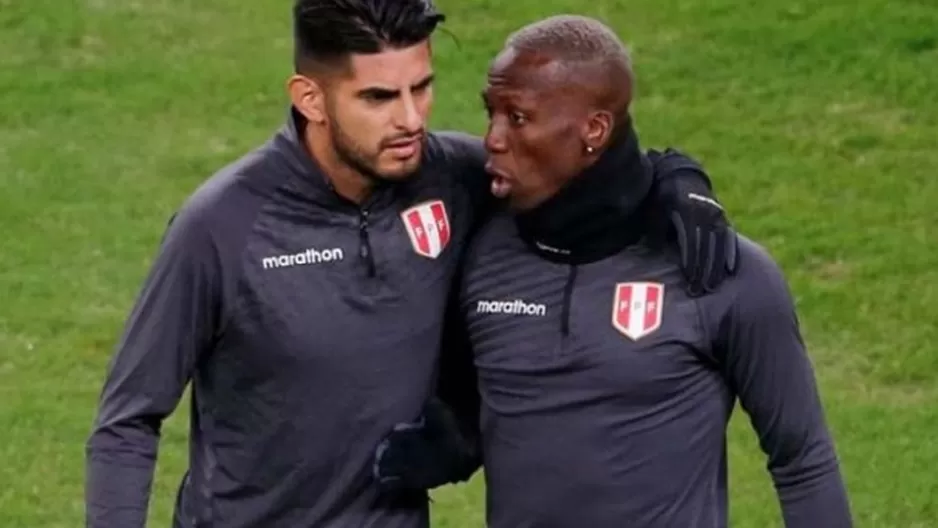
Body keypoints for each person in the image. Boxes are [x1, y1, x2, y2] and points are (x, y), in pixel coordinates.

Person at [83, 2, 737, 527]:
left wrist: (681, 182)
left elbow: (589, 174)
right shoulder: (221, 227)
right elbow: (128, 421)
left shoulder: (449, 178)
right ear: (310, 98)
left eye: (421, 87)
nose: (409, 120)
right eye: (376, 98)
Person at [376, 14, 854, 528]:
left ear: (594, 130)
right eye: (490, 113)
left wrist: (676, 177)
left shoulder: (718, 271)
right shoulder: (484, 252)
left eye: (517, 118)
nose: (491, 138)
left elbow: (802, 460)